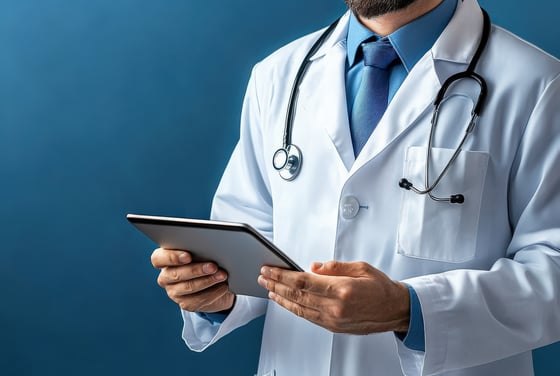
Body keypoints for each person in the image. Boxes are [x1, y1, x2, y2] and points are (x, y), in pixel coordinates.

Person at [150, 0, 560, 375]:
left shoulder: (537, 85)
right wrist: (217, 293)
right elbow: (253, 240)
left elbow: (553, 270)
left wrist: (411, 310)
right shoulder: (278, 75)